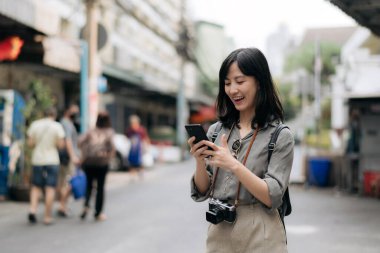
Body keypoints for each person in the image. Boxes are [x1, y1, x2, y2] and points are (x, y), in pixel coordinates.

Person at [188, 47, 294, 252]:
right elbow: (202, 191)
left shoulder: (280, 135)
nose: (232, 89)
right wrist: (200, 161)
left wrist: (233, 165)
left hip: (262, 233)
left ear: (259, 82)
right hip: (220, 231)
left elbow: (272, 196)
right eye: (227, 83)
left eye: (240, 81)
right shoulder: (216, 131)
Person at [27, 108, 65, 225]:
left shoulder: (35, 125)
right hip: (52, 160)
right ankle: (47, 216)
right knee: (50, 188)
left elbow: (30, 144)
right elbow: (60, 145)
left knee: (36, 186)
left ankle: (32, 210)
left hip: (37, 160)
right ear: (54, 115)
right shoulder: (57, 126)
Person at [79, 111, 115, 221]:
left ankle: (86, 206)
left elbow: (80, 142)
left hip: (89, 162)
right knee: (100, 188)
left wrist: (85, 153)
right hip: (102, 163)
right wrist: (108, 158)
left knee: (89, 186)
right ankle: (98, 213)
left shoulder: (91, 131)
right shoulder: (109, 132)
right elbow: (112, 148)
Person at [57, 103, 81, 217]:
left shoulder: (69, 123)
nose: (76, 113)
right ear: (67, 111)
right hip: (67, 158)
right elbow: (68, 141)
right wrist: (73, 156)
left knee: (67, 182)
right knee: (68, 182)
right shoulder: (65, 123)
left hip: (69, 157)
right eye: (74, 111)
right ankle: (62, 206)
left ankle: (63, 205)